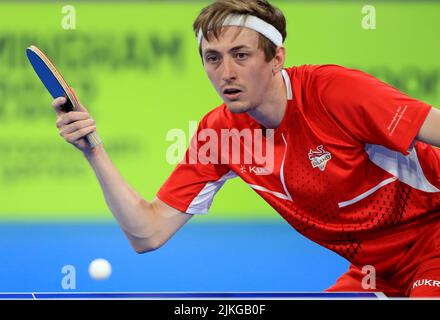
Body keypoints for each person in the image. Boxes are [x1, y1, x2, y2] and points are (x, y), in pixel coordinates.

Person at [52, 0, 440, 297]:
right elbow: (148, 234)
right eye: (213, 58)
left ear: (277, 58)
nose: (226, 73)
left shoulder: (334, 92)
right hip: (374, 270)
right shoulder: (219, 134)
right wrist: (93, 150)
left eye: (241, 55)